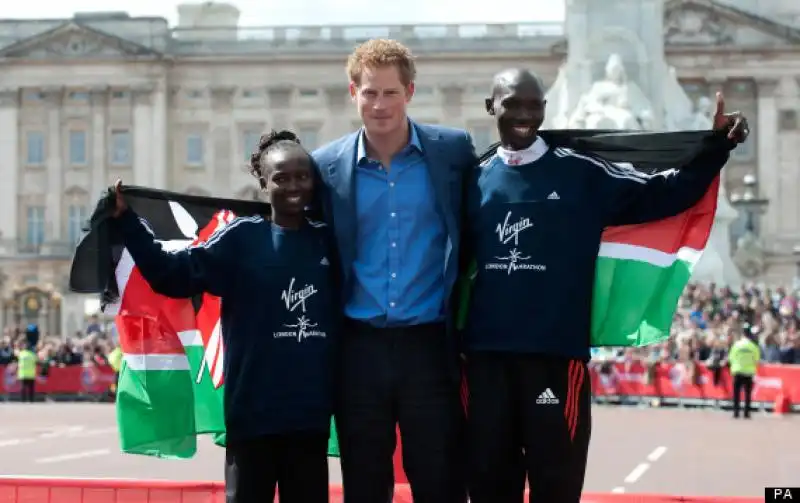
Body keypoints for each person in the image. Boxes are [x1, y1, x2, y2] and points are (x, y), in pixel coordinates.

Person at [460, 68, 750, 503]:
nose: (523, 114)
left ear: (544, 109)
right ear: (490, 108)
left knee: (556, 485)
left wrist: (716, 148)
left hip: (556, 360)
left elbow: (662, 194)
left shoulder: (581, 173)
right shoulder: (472, 179)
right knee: (487, 486)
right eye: (511, 104)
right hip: (485, 362)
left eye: (533, 105)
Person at [110, 130, 337, 503]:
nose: (294, 185)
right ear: (264, 184)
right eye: (281, 177)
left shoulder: (330, 240)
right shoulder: (241, 239)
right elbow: (173, 275)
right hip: (252, 416)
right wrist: (129, 223)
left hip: (310, 417)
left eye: (302, 175)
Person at [311, 39, 475, 503]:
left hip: (429, 344)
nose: (379, 105)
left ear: (410, 92)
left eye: (389, 93)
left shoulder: (453, 152)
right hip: (358, 347)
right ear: (352, 93)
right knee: (364, 482)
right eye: (369, 93)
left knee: (439, 477)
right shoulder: (326, 167)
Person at [728, 331, 761, 419]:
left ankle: (736, 412)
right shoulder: (753, 346)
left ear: (742, 335)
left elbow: (731, 358)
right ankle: (746, 413)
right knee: (747, 394)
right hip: (748, 372)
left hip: (737, 371)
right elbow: (757, 360)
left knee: (736, 394)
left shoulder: (736, 345)